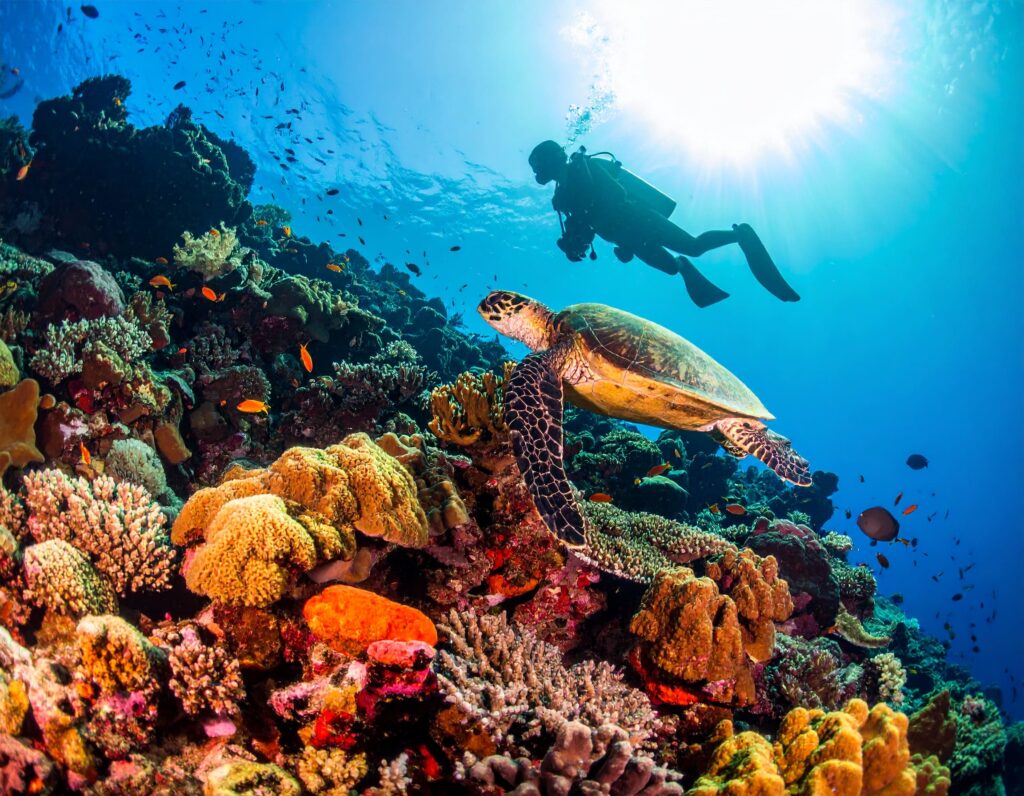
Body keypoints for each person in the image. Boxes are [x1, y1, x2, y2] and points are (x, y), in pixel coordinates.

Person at [528, 140, 800, 307]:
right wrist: (575, 246)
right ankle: (685, 269)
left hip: (642, 220)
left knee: (693, 246)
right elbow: (586, 231)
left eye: (538, 166)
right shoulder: (561, 198)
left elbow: (616, 193)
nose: (538, 172)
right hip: (627, 238)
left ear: (549, 161)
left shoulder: (584, 166)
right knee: (671, 268)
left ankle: (740, 234)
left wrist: (599, 221)